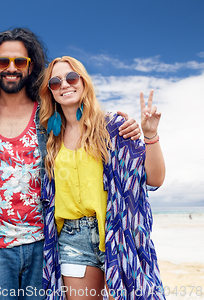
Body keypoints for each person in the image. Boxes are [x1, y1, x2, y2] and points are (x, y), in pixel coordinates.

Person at [0, 28, 141, 300]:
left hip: (43, 244)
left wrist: (129, 128)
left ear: (32, 67)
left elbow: (86, 123)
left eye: (20, 62)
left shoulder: (48, 115)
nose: (12, 68)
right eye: (3, 62)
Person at [38, 56, 165, 300]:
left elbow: (154, 179)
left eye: (71, 77)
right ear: (50, 92)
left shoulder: (113, 127)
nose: (64, 84)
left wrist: (150, 135)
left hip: (118, 233)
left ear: (84, 82)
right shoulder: (50, 140)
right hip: (72, 241)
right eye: (55, 82)